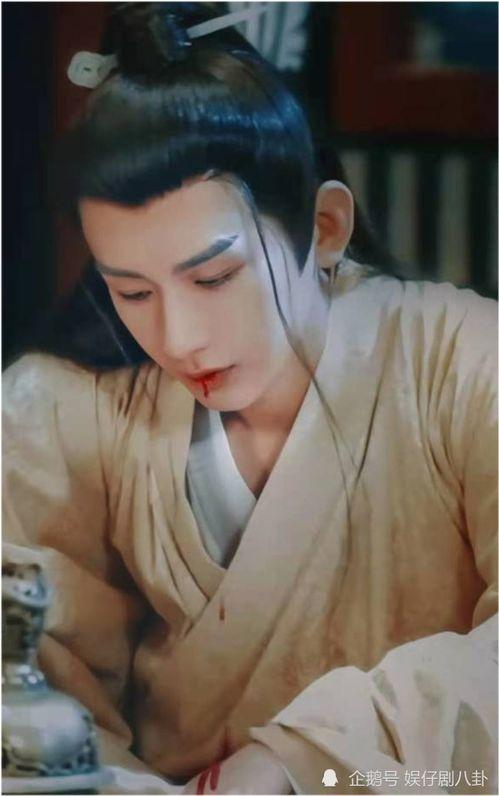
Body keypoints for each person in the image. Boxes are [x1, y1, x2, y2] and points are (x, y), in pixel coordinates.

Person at [3, 3, 497, 794]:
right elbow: (24, 685)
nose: (179, 338)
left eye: (214, 277)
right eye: (132, 292)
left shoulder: (465, 363)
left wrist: (305, 760)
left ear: (324, 227)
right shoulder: (63, 407)